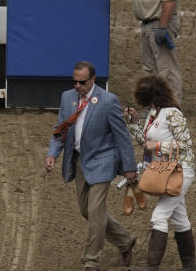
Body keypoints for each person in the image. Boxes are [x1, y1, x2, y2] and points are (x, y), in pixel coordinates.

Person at [45, 61, 137, 271]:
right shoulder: (67, 97)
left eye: (82, 82)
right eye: (75, 82)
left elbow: (122, 136)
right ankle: (126, 240)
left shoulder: (108, 101)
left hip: (103, 160)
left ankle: (91, 261)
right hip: (79, 161)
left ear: (93, 80)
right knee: (87, 210)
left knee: (96, 209)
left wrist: (129, 168)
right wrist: (52, 154)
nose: (77, 86)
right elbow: (60, 129)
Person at [124, 75, 196, 271]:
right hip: (165, 171)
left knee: (159, 216)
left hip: (180, 171)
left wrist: (158, 145)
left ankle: (152, 266)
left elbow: (185, 144)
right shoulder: (152, 114)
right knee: (180, 219)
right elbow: (145, 142)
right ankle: (189, 267)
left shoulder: (173, 113)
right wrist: (133, 123)